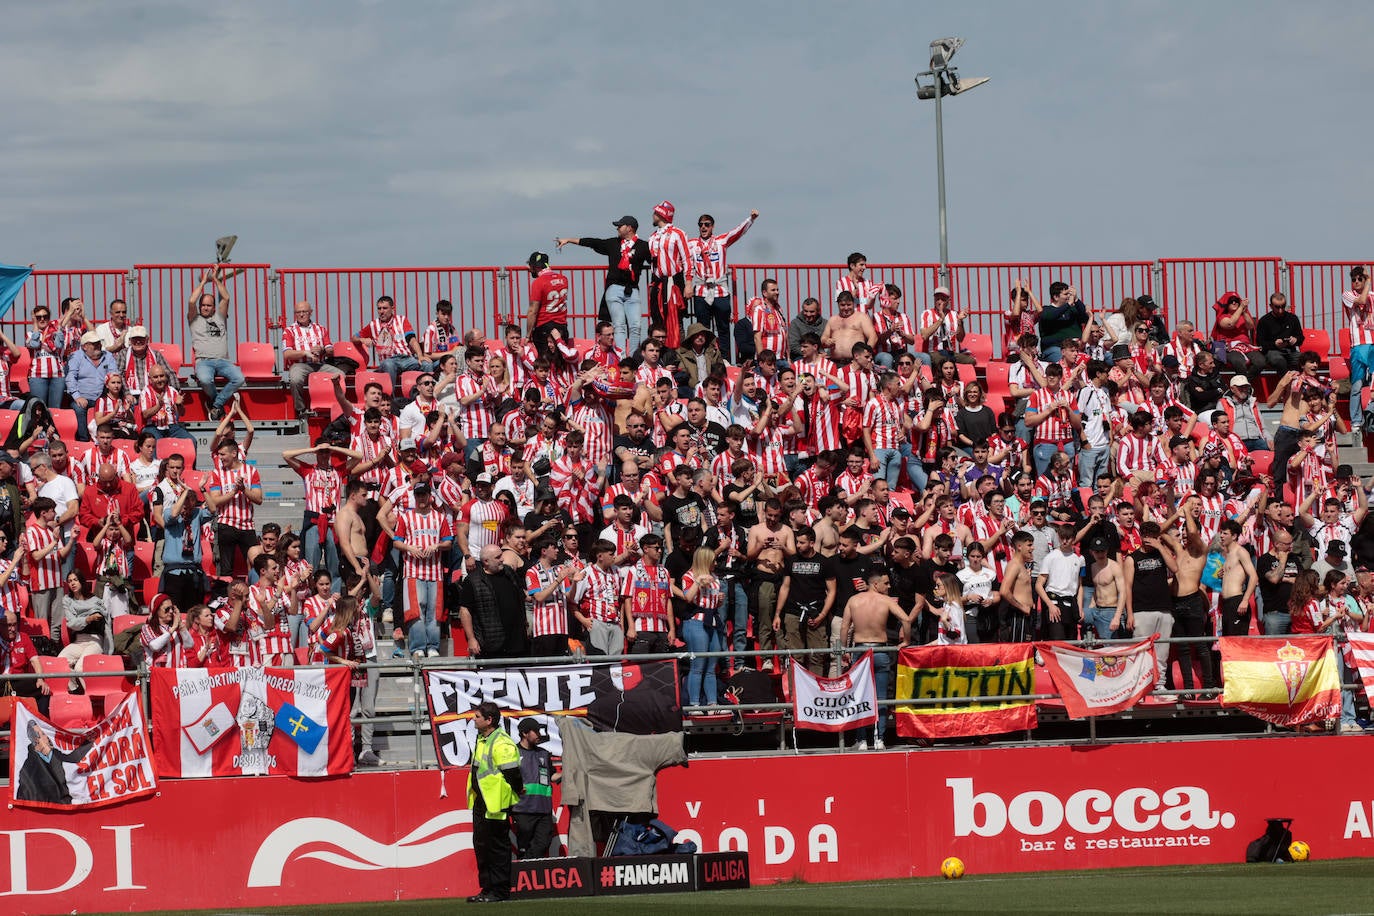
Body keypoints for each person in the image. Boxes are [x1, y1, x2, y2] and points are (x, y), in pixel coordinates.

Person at [556, 217, 652, 355]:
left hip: (632, 290)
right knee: (619, 326)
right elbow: (592, 242)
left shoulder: (643, 246)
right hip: (614, 289)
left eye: (620, 226)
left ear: (629, 228)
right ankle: (622, 357)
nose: (617, 228)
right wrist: (568, 240)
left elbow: (655, 260)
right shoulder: (613, 243)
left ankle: (634, 358)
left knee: (636, 326)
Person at [839, 568, 910, 750]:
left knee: (861, 696)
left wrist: (845, 649)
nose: (888, 587)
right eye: (885, 584)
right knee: (881, 698)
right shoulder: (885, 600)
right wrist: (906, 641)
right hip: (880, 650)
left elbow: (845, 626)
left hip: (860, 650)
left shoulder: (854, 600)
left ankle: (862, 740)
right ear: (875, 584)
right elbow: (906, 620)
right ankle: (879, 739)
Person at [466, 701, 524, 904]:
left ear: (489, 720)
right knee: (482, 846)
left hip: (496, 803)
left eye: (477, 717)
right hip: (482, 802)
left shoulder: (502, 743)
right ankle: (487, 889)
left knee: (497, 848)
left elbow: (513, 774)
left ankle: (499, 891)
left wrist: (516, 791)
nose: (473, 719)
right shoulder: (482, 739)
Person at [685, 210, 758, 361]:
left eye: (707, 224)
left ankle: (724, 359)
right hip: (701, 291)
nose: (703, 227)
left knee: (723, 327)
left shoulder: (721, 241)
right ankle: (704, 359)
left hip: (720, 291)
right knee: (702, 329)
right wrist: (688, 283)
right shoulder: (692, 244)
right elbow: (682, 258)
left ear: (712, 226)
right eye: (701, 225)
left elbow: (738, 232)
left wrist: (751, 219)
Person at [1120, 522, 1176, 689]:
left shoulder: (1161, 554)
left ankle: (1160, 684)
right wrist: (1129, 613)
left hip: (1164, 609)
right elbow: (1127, 588)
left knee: (1162, 652)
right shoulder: (1132, 558)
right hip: (1141, 610)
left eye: (1153, 537)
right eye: (1146, 536)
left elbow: (1175, 568)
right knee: (1141, 652)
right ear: (1142, 537)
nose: (1149, 540)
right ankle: (1140, 686)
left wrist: (1160, 547)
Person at [186, 267, 245, 421]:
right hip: (204, 361)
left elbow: (226, 297)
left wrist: (216, 279)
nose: (205, 307)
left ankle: (216, 404)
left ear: (213, 307)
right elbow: (192, 300)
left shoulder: (220, 317)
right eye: (203, 305)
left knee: (239, 378)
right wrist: (204, 282)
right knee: (205, 380)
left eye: (209, 305)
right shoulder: (194, 318)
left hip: (223, 361)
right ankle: (216, 402)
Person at [459, 544, 529, 659]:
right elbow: (465, 610)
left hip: (517, 641)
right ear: (486, 561)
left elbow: (521, 597)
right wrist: (471, 639)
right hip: (492, 643)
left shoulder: (508, 572)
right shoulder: (473, 581)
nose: (502, 559)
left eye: (501, 555)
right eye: (498, 557)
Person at [281, 300, 346, 416]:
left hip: (319, 364)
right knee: (295, 379)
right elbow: (287, 354)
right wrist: (305, 353)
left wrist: (322, 350)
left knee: (340, 375)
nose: (301, 315)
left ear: (310, 312)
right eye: (298, 312)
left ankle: (336, 405)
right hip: (300, 365)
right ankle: (301, 410)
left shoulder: (320, 329)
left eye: (304, 312)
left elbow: (331, 350)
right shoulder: (289, 330)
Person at [511, 717, 559, 860]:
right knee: (524, 846)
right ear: (525, 733)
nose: (538, 734)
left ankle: (528, 866)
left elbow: (552, 775)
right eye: (535, 731)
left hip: (544, 810)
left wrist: (567, 773)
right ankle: (524, 873)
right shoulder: (512, 752)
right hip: (522, 809)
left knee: (543, 843)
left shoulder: (543, 753)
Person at [14, 719, 93, 806]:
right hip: (46, 810)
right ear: (36, 741)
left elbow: (73, 758)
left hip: (62, 804)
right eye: (43, 734)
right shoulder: (28, 769)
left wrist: (88, 743)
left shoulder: (53, 753)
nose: (47, 737)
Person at [353, 294, 424, 386]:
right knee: (389, 365)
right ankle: (390, 399)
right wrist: (362, 340)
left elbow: (412, 340)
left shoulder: (401, 320)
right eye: (379, 308)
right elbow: (353, 338)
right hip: (389, 360)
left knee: (426, 364)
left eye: (385, 308)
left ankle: (427, 399)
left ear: (392, 308)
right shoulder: (373, 325)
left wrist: (420, 356)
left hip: (406, 359)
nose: (381, 311)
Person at [65, 330, 119, 441]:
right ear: (85, 346)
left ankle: (111, 439)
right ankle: (83, 440)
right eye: (94, 344)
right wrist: (77, 396)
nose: (98, 346)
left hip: (103, 396)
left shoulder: (108, 356)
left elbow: (114, 375)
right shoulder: (76, 357)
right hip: (83, 396)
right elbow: (70, 377)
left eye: (98, 343)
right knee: (79, 409)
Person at [525, 252, 571, 357]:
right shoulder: (564, 279)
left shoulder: (538, 282)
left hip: (544, 327)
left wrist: (528, 335)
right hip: (562, 326)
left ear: (534, 266)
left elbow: (533, 311)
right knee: (561, 362)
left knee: (545, 365)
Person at [1255, 292, 1305, 373]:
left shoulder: (1292, 318)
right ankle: (1286, 384)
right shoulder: (1264, 321)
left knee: (1306, 360)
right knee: (1279, 361)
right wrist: (1275, 344)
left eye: (1283, 306)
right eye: (1277, 307)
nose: (1280, 310)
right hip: (1272, 351)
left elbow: (1301, 337)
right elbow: (1260, 343)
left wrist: (1295, 340)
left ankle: (1305, 383)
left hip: (1291, 351)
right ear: (1271, 306)